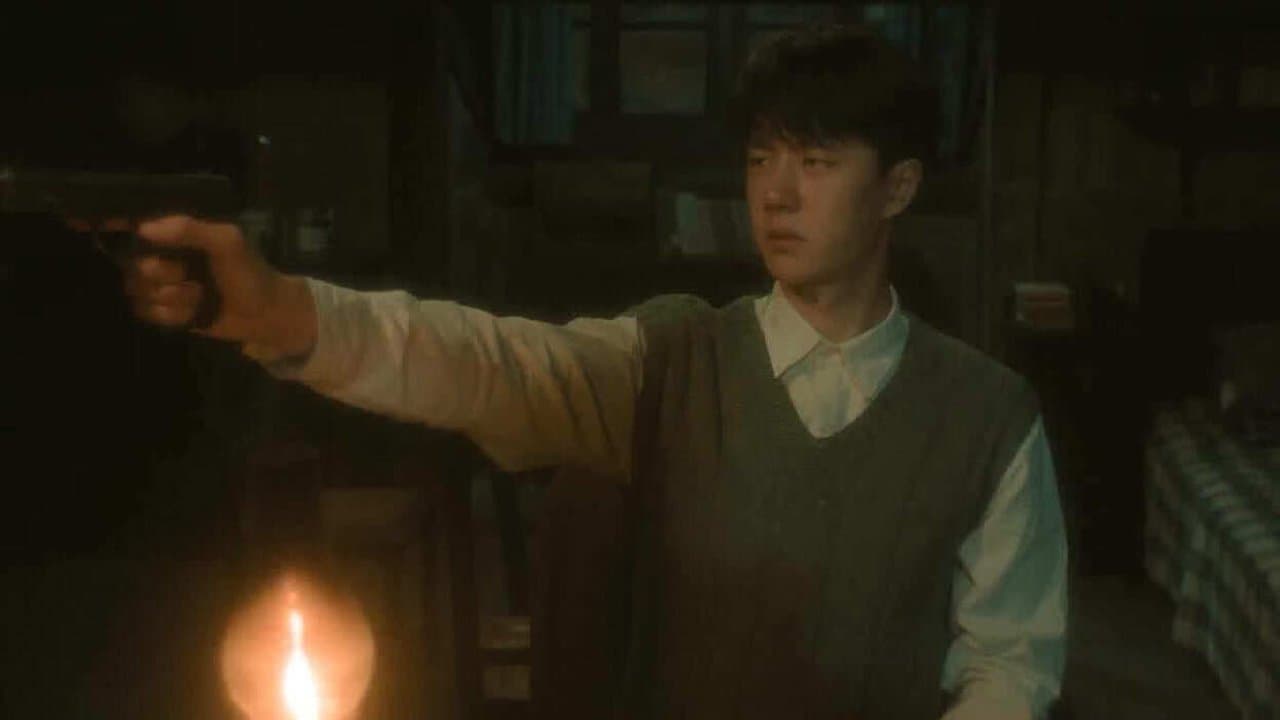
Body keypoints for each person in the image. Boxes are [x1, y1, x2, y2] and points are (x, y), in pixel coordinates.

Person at [123, 23, 1066, 720]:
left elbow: (1010, 666)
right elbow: (491, 363)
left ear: (898, 186)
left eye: (816, 162)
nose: (776, 194)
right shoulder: (671, 361)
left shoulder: (987, 415)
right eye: (759, 159)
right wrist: (283, 312)